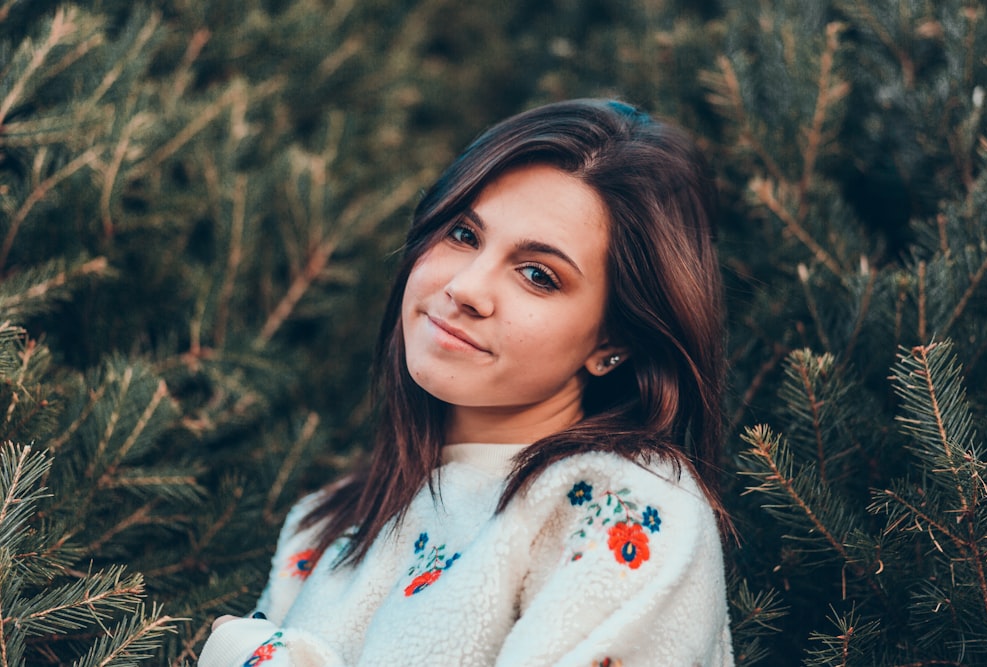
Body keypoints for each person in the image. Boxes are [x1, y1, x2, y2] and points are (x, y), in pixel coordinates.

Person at [198, 98, 734, 666]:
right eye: (462, 234)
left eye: (537, 275)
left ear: (613, 344)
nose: (466, 287)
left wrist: (249, 653)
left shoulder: (624, 508)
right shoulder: (328, 522)